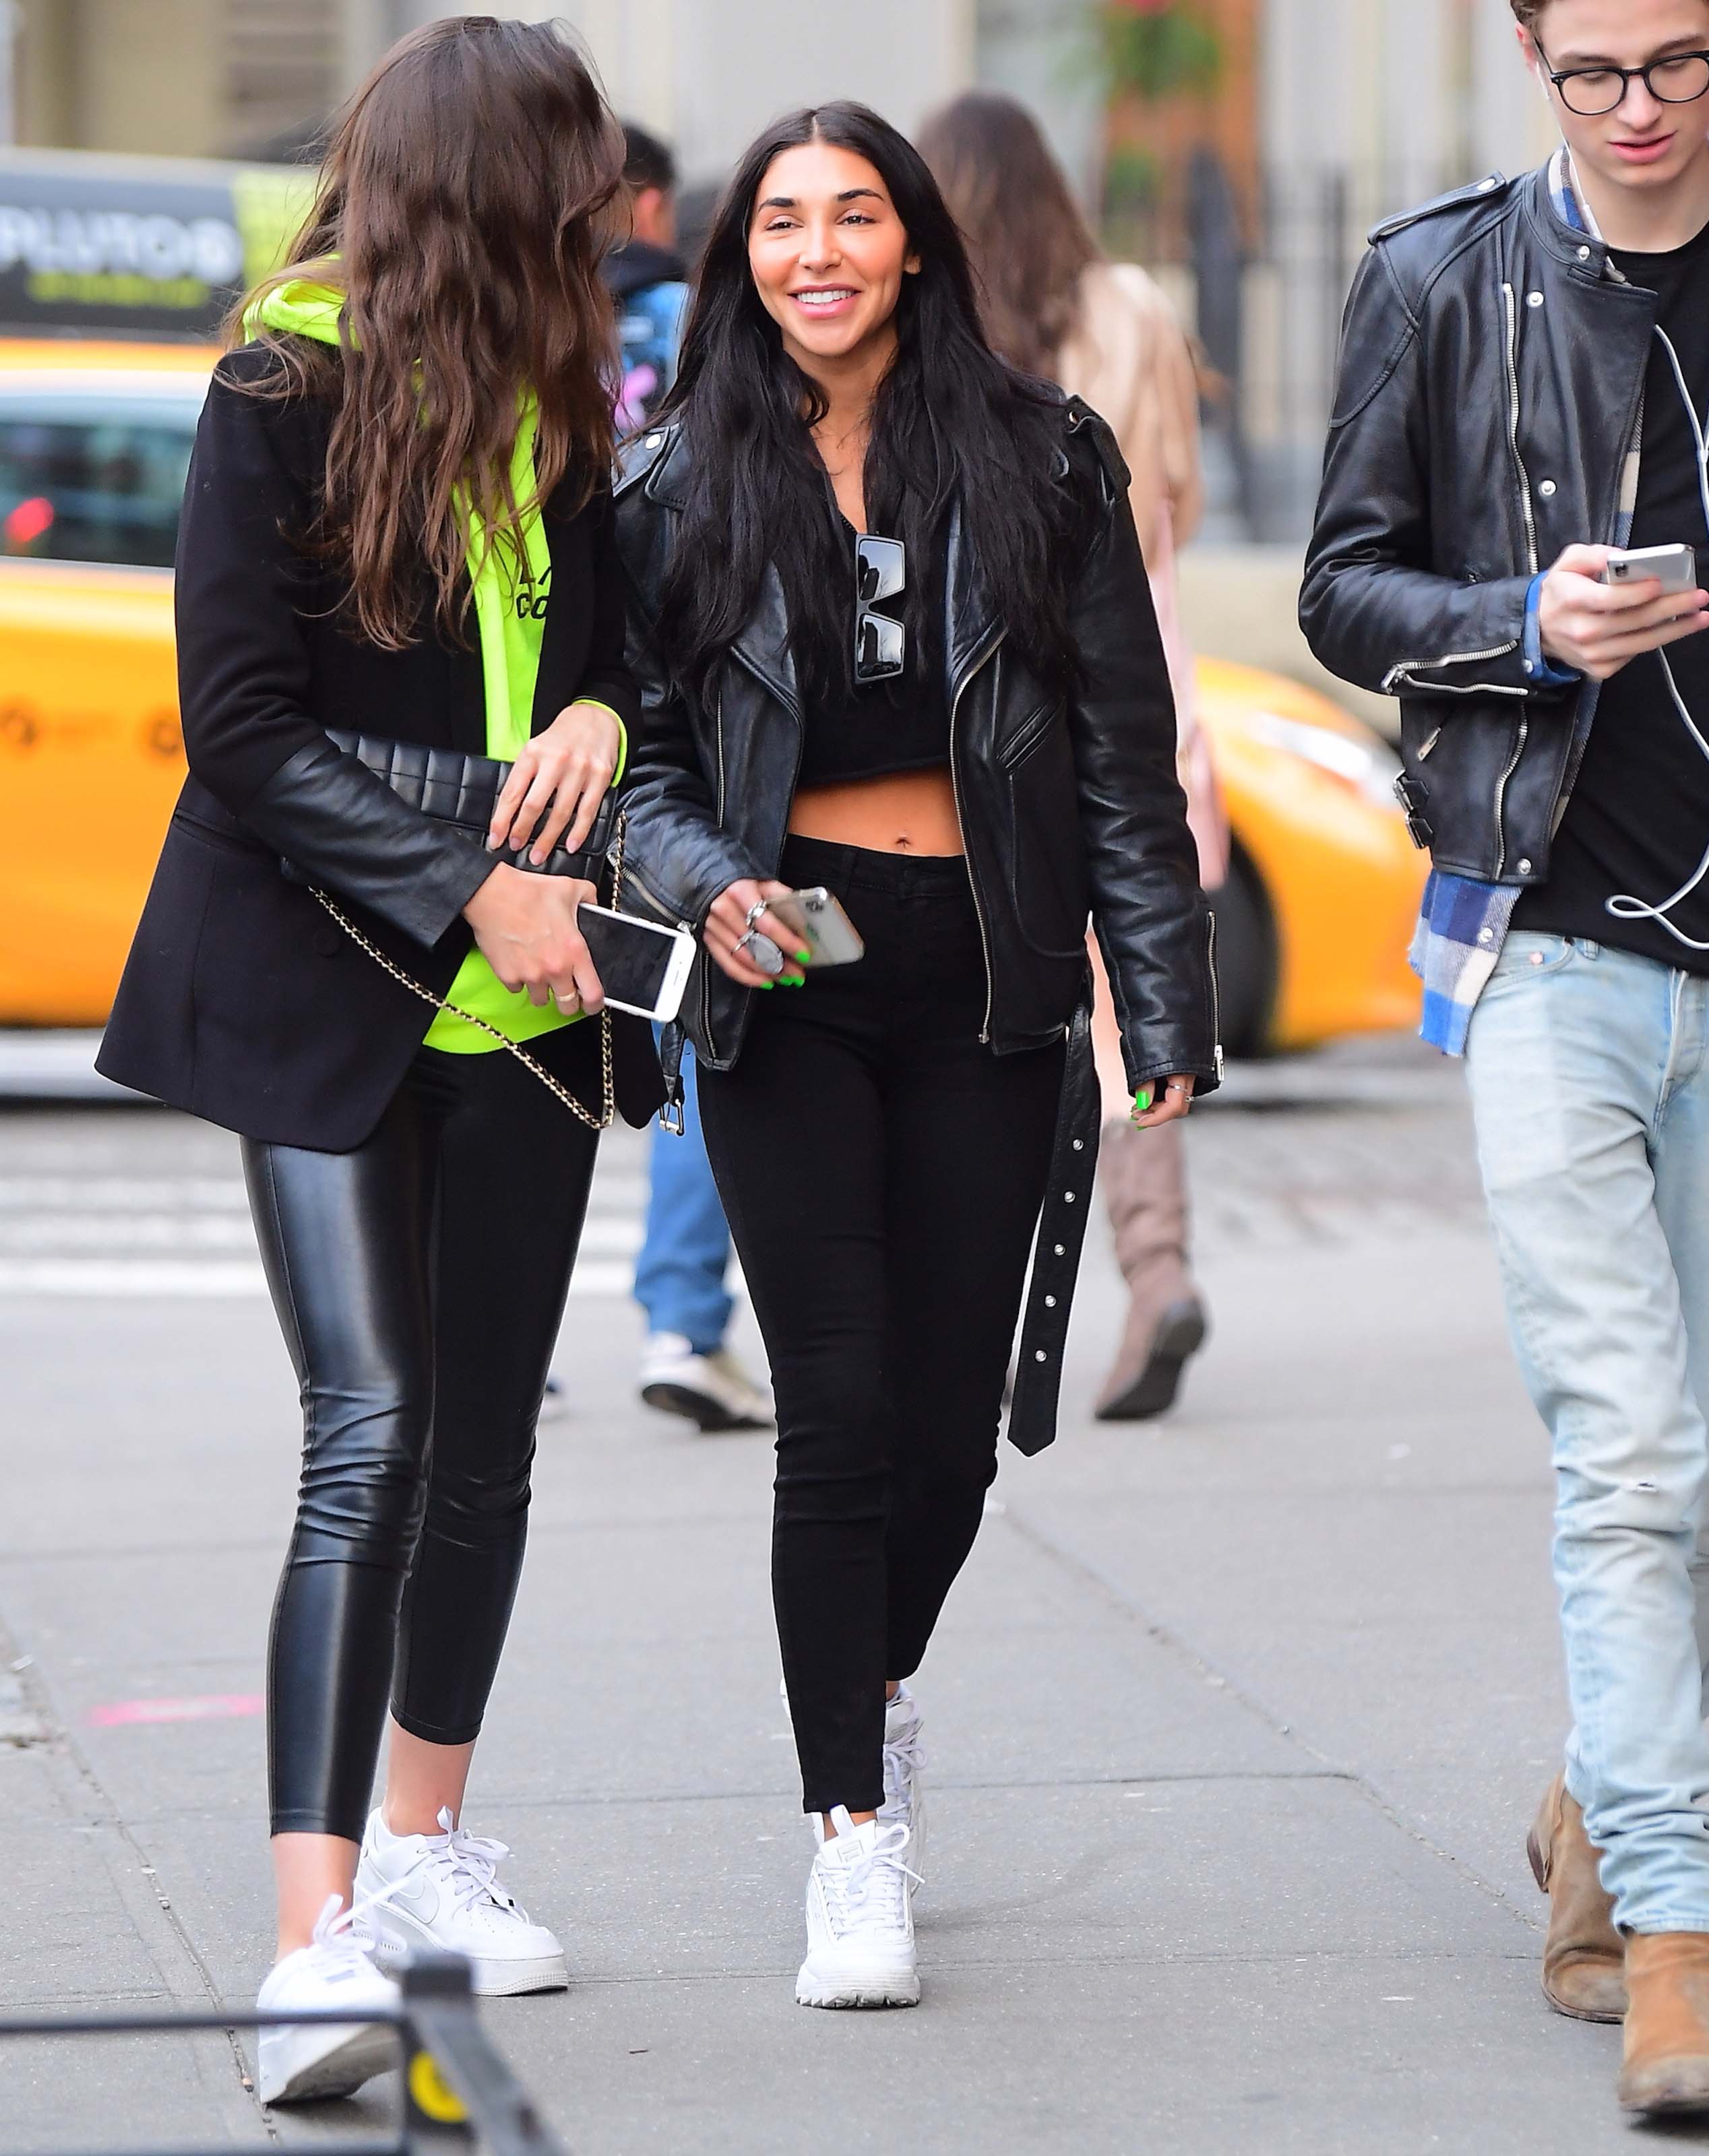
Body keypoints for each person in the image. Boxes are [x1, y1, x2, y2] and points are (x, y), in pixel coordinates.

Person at [96, 17, 660, 2105]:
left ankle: (424, 1853)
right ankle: (307, 1945)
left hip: (532, 1013)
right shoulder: (281, 388)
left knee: (487, 1441)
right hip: (332, 975)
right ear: (487, 186)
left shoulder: (563, 404)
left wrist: (600, 711)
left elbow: (614, 647)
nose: (602, 212)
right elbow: (240, 725)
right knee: (373, 1429)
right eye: (573, 180)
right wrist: (467, 885)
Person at [615, 101, 1218, 2010]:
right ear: (741, 257)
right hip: (781, 973)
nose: (817, 251)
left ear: (914, 244)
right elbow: (639, 760)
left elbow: (1119, 751)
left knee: (949, 1431)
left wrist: (1161, 1003)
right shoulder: (676, 479)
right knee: (837, 1410)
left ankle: (872, 1696)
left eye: (853, 214)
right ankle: (849, 1833)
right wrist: (708, 881)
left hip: (985, 975)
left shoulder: (1043, 457)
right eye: (781, 221)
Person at [1301, 0, 1709, 2118]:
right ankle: (1675, 1935)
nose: (1641, 111)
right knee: (1630, 1455)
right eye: (1596, 73)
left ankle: (1600, 1811)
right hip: (1545, 936)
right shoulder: (1442, 276)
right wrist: (1522, 626)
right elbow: (1342, 591)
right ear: (1537, 57)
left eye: (1684, 63)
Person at [919, 90, 1227, 1422]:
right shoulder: (1134, 309)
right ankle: (1156, 1273)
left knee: (986, 1008)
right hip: (1134, 668)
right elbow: (1179, 506)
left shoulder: (931, 322)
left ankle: (975, 1310)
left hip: (981, 694)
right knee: (1131, 1004)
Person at [604, 121, 772, 1432]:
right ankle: (680, 1312)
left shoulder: (548, 334)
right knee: (701, 1022)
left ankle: (502, 1326)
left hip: (571, 725)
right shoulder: (689, 327)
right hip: (698, 721)